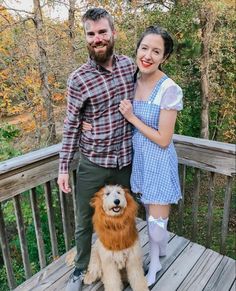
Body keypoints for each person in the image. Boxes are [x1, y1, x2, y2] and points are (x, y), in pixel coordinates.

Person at [57, 8, 135, 291]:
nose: (97, 39)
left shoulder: (130, 67)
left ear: (112, 33)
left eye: (102, 32)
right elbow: (71, 124)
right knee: (84, 223)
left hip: (126, 161)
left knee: (125, 217)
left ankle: (125, 265)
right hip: (92, 163)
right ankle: (79, 271)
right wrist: (63, 166)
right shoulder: (78, 79)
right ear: (86, 38)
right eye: (91, 34)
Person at [118, 26, 183, 287]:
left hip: (159, 160)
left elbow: (164, 139)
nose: (148, 55)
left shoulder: (169, 89)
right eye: (144, 48)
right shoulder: (132, 79)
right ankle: (160, 249)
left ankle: (155, 262)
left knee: (155, 226)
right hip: (140, 160)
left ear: (164, 57)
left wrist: (132, 117)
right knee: (148, 213)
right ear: (137, 49)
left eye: (156, 51)